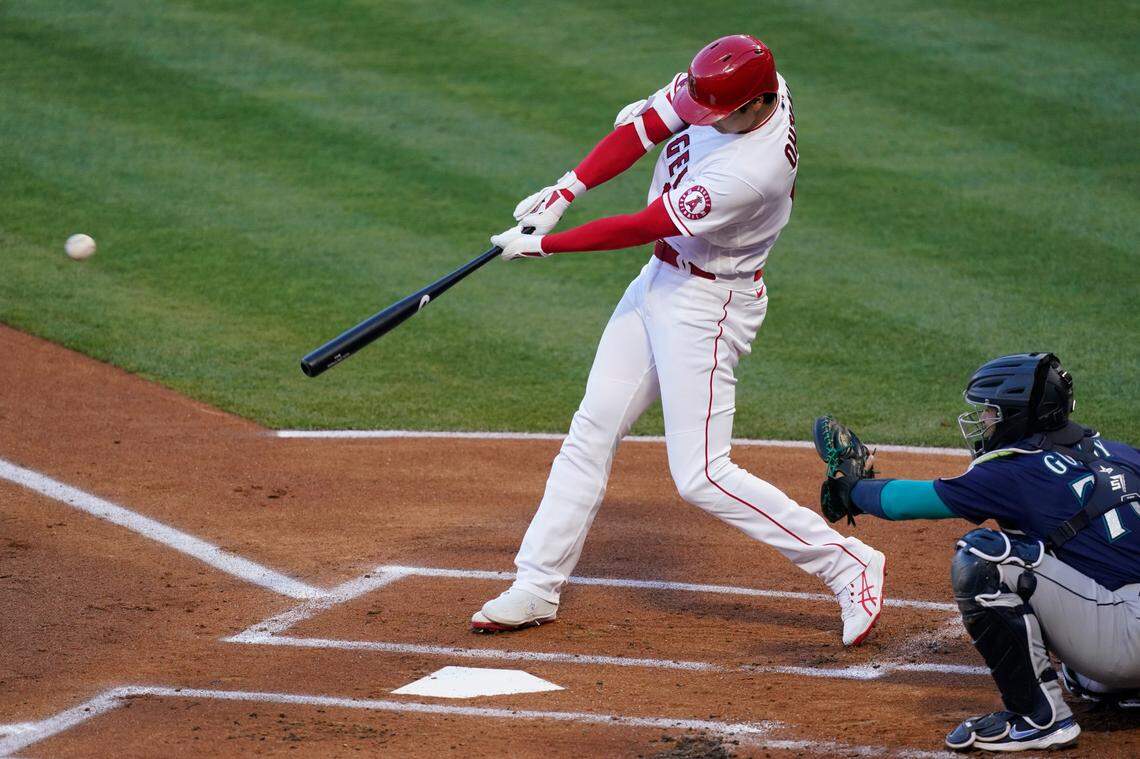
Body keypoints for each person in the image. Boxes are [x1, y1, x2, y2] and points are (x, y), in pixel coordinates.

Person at [472, 34, 887, 647]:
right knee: (593, 428)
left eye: (716, 115)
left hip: (709, 304)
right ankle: (536, 585)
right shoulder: (734, 83)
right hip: (661, 282)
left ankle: (847, 564)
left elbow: (643, 225)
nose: (700, 118)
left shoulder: (753, 172)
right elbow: (645, 127)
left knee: (701, 474)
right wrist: (564, 193)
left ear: (756, 107)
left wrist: (543, 244)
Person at [813, 352, 1140, 752]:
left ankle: (1039, 717)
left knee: (985, 558)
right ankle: (1114, 684)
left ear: (1018, 416)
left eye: (991, 412)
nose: (984, 421)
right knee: (1076, 551)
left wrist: (853, 490)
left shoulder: (1014, 470)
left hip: (1124, 643)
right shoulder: (1121, 454)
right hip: (1126, 627)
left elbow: (908, 502)